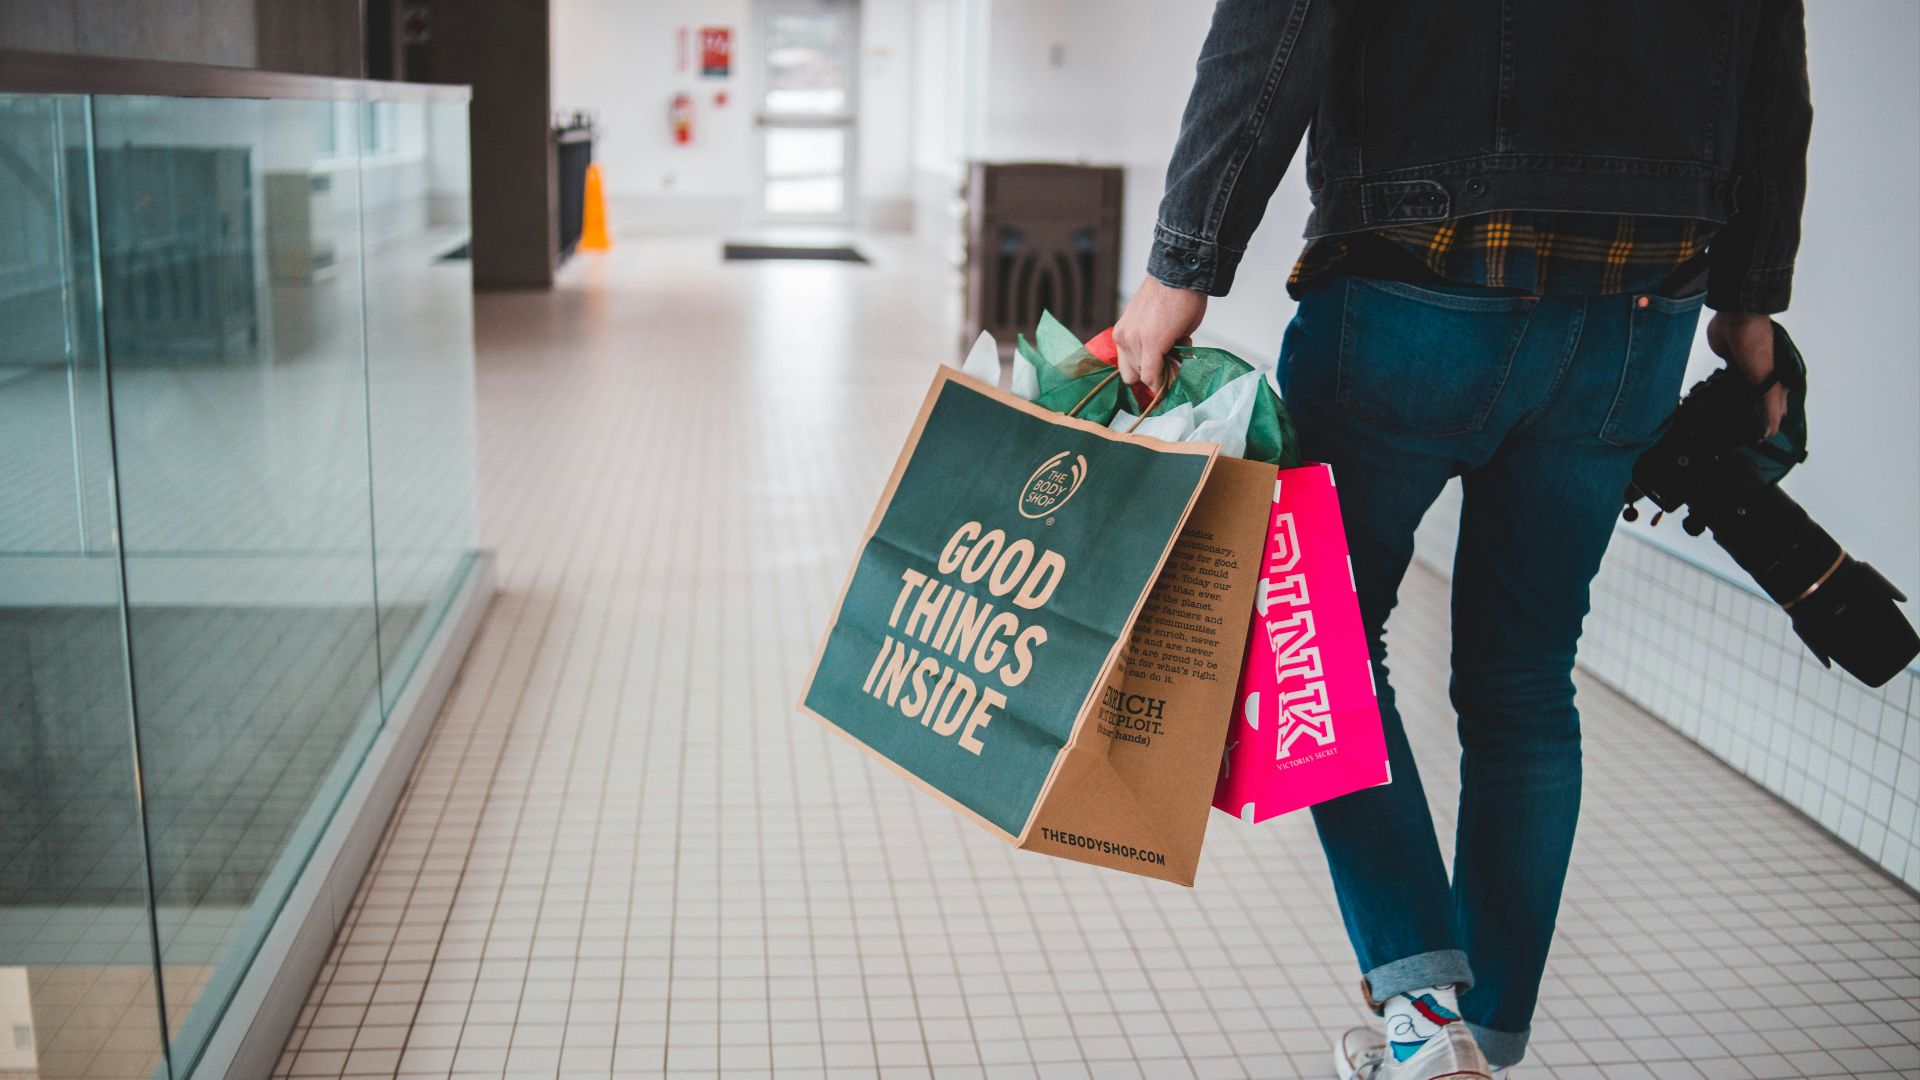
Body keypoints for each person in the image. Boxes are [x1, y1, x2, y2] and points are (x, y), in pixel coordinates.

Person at [1112, 3, 1811, 1078]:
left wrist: (1180, 265)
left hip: (1412, 286)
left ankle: (1423, 1021)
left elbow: (1281, 21)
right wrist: (1749, 311)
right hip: (1641, 307)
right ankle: (1483, 1038)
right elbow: (1772, 70)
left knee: (1324, 640)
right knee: (1526, 681)